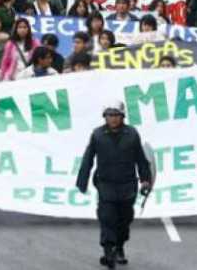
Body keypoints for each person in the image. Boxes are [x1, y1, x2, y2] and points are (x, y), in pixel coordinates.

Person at [76, 100, 152, 269]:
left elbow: (140, 158)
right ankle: (108, 251)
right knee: (107, 217)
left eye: (116, 115)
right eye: (110, 115)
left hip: (127, 185)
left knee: (124, 220)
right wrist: (82, 181)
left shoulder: (132, 134)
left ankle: (120, 247)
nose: (113, 118)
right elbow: (88, 158)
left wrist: (145, 179)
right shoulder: (97, 135)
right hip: (105, 184)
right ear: (105, 116)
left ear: (122, 116)